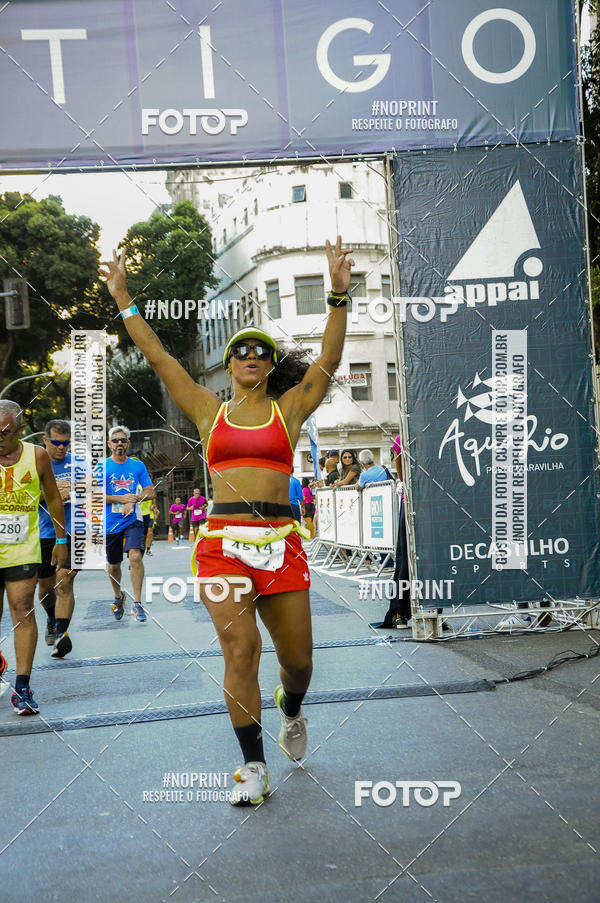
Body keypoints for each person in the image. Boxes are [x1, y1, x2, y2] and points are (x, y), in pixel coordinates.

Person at [101, 235, 354, 805]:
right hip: (222, 546)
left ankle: (291, 707)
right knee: (241, 651)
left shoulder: (290, 409)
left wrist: (338, 294)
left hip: (280, 542)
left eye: (260, 352)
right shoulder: (207, 411)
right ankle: (253, 767)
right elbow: (160, 357)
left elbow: (330, 360)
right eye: (241, 351)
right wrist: (124, 300)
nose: (249, 357)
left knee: (299, 664)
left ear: (268, 366)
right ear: (230, 363)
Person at [0, 401, 66, 715]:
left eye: (5, 432)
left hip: (21, 547)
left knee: (23, 609)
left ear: (20, 430)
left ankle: (22, 687)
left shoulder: (36, 456)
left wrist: (61, 539)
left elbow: (53, 496)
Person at [95, 426, 155, 622]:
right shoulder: (102, 467)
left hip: (133, 520)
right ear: (109, 444)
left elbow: (150, 491)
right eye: (115, 440)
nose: (119, 443)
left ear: (128, 444)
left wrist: (134, 499)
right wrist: (120, 500)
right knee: (113, 566)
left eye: (123, 440)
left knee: (135, 557)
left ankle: (137, 604)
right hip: (110, 522)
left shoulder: (137, 466)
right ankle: (118, 596)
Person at [37, 419, 79, 658]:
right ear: (45, 440)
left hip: (73, 531)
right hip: (44, 533)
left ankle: (61, 636)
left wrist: (73, 491)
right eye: (55, 442)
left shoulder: (79, 464)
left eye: (65, 443)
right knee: (44, 590)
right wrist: (52, 495)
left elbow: (94, 491)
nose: (61, 447)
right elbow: (28, 498)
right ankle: (52, 619)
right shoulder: (36, 462)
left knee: (64, 581)